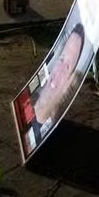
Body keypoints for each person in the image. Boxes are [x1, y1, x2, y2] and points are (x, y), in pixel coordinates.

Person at [19, 24, 87, 153]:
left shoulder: (42, 136)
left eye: (68, 67)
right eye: (61, 59)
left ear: (70, 83)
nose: (60, 69)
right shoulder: (25, 106)